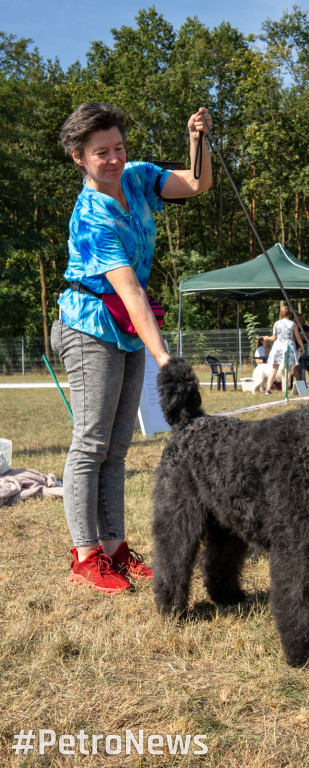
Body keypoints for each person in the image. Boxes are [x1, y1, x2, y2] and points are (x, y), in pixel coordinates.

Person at [52, 102, 212, 592]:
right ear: (79, 157)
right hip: (90, 327)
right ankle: (86, 554)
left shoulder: (139, 178)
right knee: (91, 443)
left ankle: (116, 547)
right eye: (102, 153)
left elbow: (198, 183)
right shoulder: (90, 215)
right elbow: (131, 291)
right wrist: (165, 358)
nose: (115, 159)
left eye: (119, 147)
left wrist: (196, 140)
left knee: (117, 448)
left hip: (125, 328)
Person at [263, 306, 305, 394]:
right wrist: (302, 348)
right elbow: (298, 338)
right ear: (289, 313)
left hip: (278, 347)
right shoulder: (293, 324)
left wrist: (267, 337)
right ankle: (285, 389)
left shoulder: (276, 323)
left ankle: (268, 389)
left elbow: (274, 338)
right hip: (288, 347)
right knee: (288, 369)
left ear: (281, 313)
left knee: (274, 369)